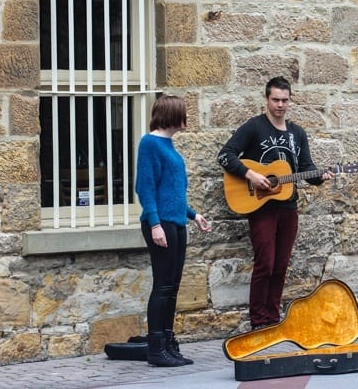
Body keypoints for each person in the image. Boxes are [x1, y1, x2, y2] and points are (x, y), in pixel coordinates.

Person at [217, 76, 333, 330]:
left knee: (280, 265)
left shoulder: (296, 134)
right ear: (267, 100)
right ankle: (258, 320)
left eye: (285, 100)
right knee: (265, 263)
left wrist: (320, 177)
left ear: (290, 101)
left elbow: (305, 168)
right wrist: (252, 175)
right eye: (275, 100)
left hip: (288, 208)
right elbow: (225, 155)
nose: (280, 105)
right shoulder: (254, 127)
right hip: (261, 207)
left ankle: (273, 318)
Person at [136, 95, 212, 367]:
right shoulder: (150, 143)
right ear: (172, 115)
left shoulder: (168, 145)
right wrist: (155, 224)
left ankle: (168, 344)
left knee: (173, 287)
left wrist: (194, 215)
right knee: (163, 286)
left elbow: (172, 192)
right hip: (161, 225)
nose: (186, 118)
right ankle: (156, 349)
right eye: (183, 112)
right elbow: (145, 188)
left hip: (176, 223)